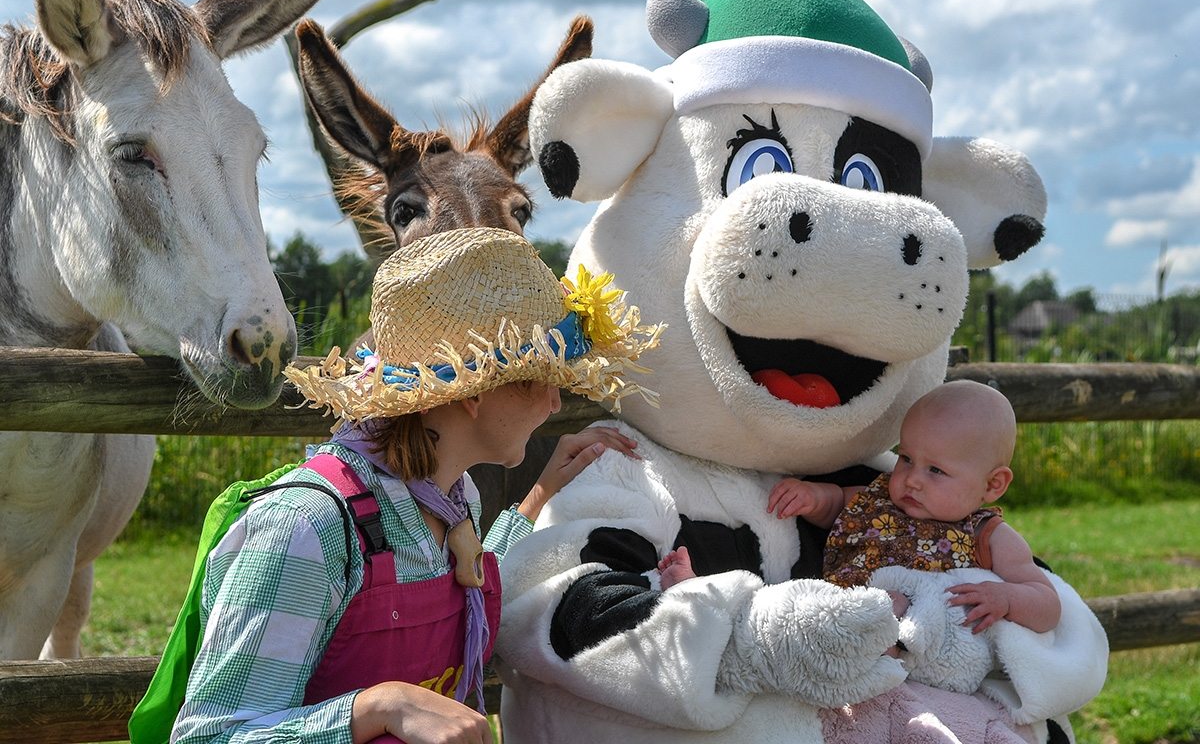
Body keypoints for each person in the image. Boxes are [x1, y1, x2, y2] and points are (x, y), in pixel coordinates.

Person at [172, 227, 662, 744]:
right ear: (475, 392)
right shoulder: (306, 529)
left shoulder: (454, 499)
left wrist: (540, 494)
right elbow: (207, 736)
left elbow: (461, 575)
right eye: (540, 378)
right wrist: (381, 706)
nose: (556, 402)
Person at [659, 380, 1060, 641]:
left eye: (936, 470)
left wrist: (1005, 597)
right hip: (835, 613)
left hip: (911, 637)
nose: (912, 479)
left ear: (993, 485)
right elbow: (838, 504)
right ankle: (704, 598)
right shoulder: (881, 498)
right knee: (777, 606)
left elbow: (1048, 603)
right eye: (906, 458)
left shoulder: (988, 536)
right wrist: (812, 498)